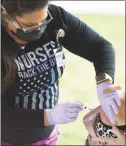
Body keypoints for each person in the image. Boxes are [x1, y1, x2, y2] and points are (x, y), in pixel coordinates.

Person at [1, 0, 121, 145]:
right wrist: (48, 116)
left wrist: (105, 83)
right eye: (29, 26)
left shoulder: (55, 18)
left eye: (43, 21)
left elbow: (100, 48)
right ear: (5, 15)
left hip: (48, 137)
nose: (39, 29)